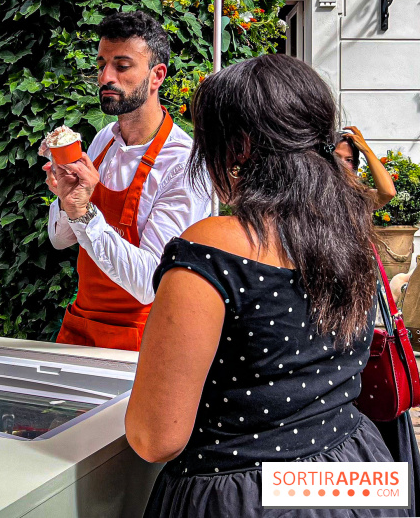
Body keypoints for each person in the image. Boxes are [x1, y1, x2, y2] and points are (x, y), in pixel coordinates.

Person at [126, 54, 410, 518]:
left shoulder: (212, 247)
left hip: (244, 495)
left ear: (237, 147)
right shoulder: (349, 228)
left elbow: (155, 437)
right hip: (357, 467)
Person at [43, 11, 210, 351]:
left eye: (122, 66)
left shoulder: (183, 163)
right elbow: (60, 241)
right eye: (102, 63)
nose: (105, 76)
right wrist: (66, 198)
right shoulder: (104, 139)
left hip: (143, 339)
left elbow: (150, 281)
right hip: (81, 327)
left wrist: (83, 213)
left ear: (156, 75)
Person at [334, 125, 396, 209]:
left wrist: (365, 149)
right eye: (336, 157)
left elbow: (388, 193)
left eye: (348, 160)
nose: (342, 164)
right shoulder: (313, 190)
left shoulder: (357, 196)